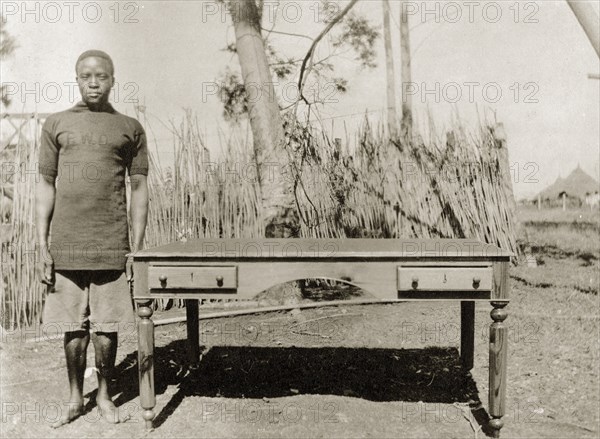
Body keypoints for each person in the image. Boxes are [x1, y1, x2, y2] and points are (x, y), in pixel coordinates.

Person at [36, 49, 149, 427]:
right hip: (67, 242)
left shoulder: (129, 127)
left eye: (101, 75)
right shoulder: (56, 124)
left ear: (113, 79)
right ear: (77, 79)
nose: (94, 81)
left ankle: (103, 395)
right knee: (72, 325)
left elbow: (139, 187)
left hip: (111, 242)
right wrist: (43, 245)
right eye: (86, 75)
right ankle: (73, 397)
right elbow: (45, 184)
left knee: (107, 326)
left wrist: (136, 248)